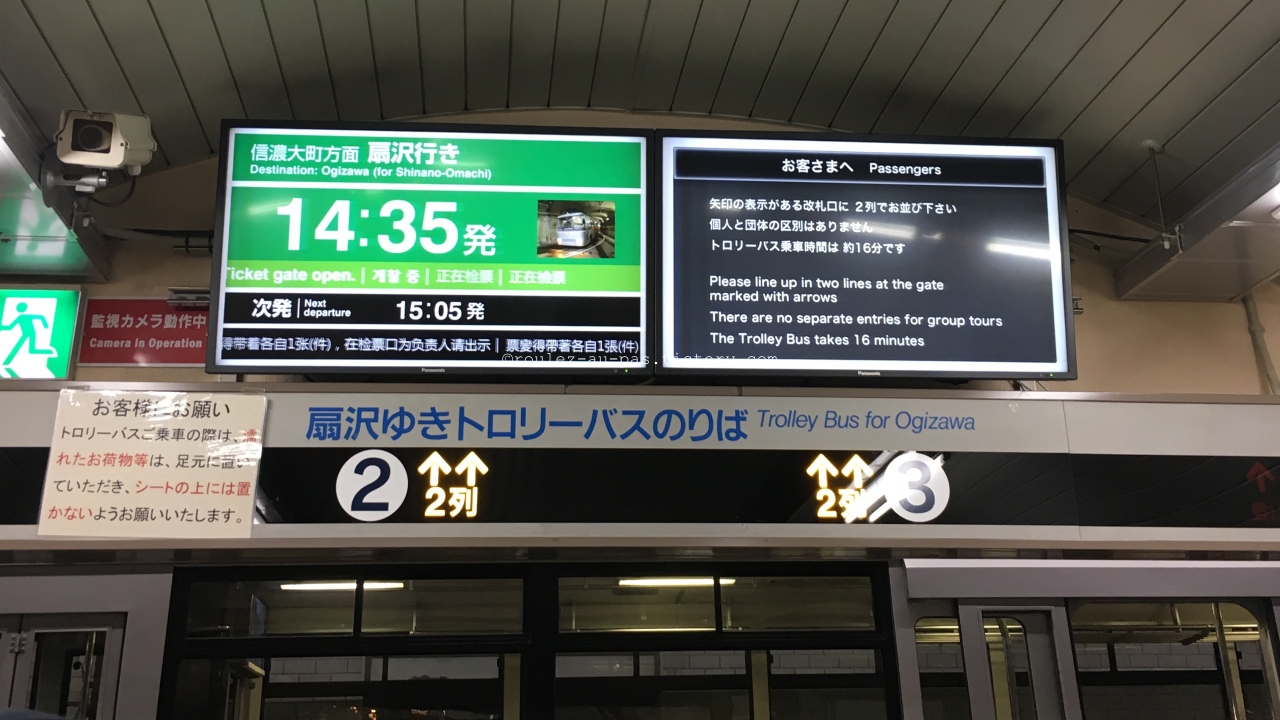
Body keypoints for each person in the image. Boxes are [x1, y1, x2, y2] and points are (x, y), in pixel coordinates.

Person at [1, 301, 54, 366]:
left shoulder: (24, 316)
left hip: (30, 333)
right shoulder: (20, 317)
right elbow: (10, 327)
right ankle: (7, 361)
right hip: (27, 333)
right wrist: (2, 327)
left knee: (28, 348)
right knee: (30, 349)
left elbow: (41, 317)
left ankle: (8, 361)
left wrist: (45, 325)